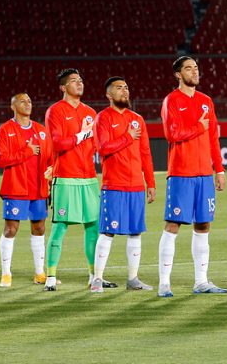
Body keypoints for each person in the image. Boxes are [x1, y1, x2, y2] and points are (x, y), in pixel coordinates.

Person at [157, 56, 227, 297]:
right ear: (178, 74)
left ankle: (201, 281)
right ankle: (164, 283)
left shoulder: (206, 101)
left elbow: (212, 139)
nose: (194, 72)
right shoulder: (172, 100)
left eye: (196, 67)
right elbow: (172, 133)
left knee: (203, 224)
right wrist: (199, 126)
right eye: (189, 68)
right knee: (173, 224)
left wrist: (218, 169)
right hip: (181, 173)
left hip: (203, 175)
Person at [44, 68, 116, 291]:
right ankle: (50, 277)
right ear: (63, 87)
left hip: (88, 178)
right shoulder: (55, 111)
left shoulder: (90, 113)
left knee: (93, 227)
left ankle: (95, 275)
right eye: (74, 81)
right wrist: (83, 134)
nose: (80, 83)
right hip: (65, 178)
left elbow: (98, 145)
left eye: (81, 80)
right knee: (60, 227)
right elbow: (58, 144)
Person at [92, 77, 156, 293]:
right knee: (108, 232)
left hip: (136, 186)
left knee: (135, 232)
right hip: (114, 185)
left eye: (126, 87)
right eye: (119, 88)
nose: (124, 91)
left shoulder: (137, 119)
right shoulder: (103, 118)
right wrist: (127, 137)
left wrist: (151, 182)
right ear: (109, 95)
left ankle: (133, 279)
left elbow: (146, 153)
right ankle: (97, 279)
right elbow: (103, 148)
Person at [0, 93, 52, 287]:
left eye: (29, 101)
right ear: (13, 106)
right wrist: (26, 152)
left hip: (38, 189)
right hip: (16, 188)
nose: (27, 103)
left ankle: (39, 273)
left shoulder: (41, 131)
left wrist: (52, 172)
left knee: (39, 228)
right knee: (11, 229)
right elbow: (0, 160)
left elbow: (50, 159)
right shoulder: (5, 130)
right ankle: (6, 274)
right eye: (22, 101)